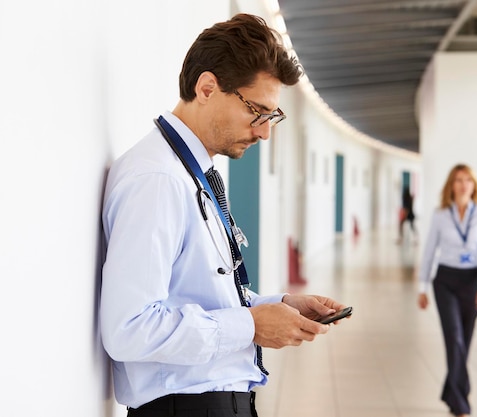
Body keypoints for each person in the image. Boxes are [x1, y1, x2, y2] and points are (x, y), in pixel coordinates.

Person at [99, 14, 348, 417]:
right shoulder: (158, 179)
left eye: (273, 117)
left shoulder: (192, 172)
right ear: (207, 88)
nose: (265, 132)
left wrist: (279, 305)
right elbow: (129, 328)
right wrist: (251, 326)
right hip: (186, 406)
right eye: (258, 112)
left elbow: (198, 293)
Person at [417, 164, 477, 417]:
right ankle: (462, 403)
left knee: (465, 341)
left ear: (474, 186)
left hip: (472, 282)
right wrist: (422, 286)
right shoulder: (441, 214)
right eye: (458, 180)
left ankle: (451, 393)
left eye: (468, 180)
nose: (463, 185)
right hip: (446, 281)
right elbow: (430, 251)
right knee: (454, 337)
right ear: (451, 185)